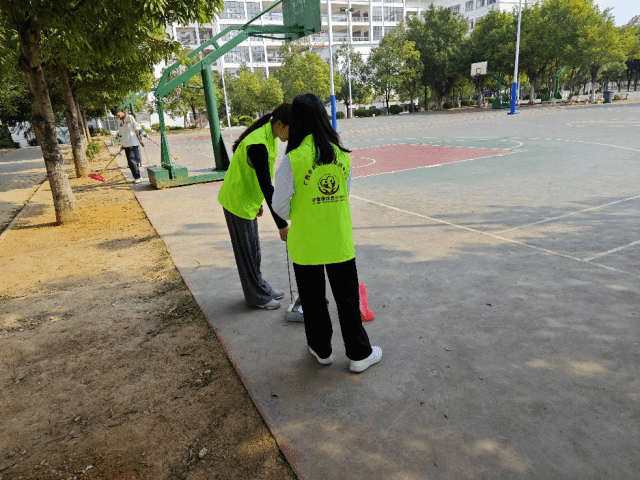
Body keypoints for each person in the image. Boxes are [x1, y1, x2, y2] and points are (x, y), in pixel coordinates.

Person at [272, 93, 382, 373]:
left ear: (297, 122)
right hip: (338, 240)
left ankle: (321, 350)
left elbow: (279, 206)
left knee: (313, 300)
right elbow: (345, 192)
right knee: (348, 300)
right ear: (323, 117)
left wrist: (303, 210)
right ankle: (359, 353)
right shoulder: (342, 155)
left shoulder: (293, 160)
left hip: (306, 243)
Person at [217, 103, 291, 309]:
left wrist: (257, 203)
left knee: (254, 250)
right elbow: (267, 186)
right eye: (290, 129)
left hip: (247, 201)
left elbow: (259, 176)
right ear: (279, 124)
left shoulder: (269, 136)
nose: (291, 134)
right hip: (236, 201)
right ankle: (256, 297)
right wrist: (281, 224)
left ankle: (260, 286)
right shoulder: (258, 143)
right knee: (246, 254)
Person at [111, 106, 145, 184]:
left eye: (117, 114)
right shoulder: (119, 121)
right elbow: (122, 134)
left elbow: (136, 129)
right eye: (116, 115)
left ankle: (138, 177)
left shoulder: (129, 117)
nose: (117, 116)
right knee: (130, 163)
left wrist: (141, 140)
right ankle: (137, 177)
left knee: (133, 161)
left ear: (120, 111)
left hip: (133, 143)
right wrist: (123, 144)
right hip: (126, 144)